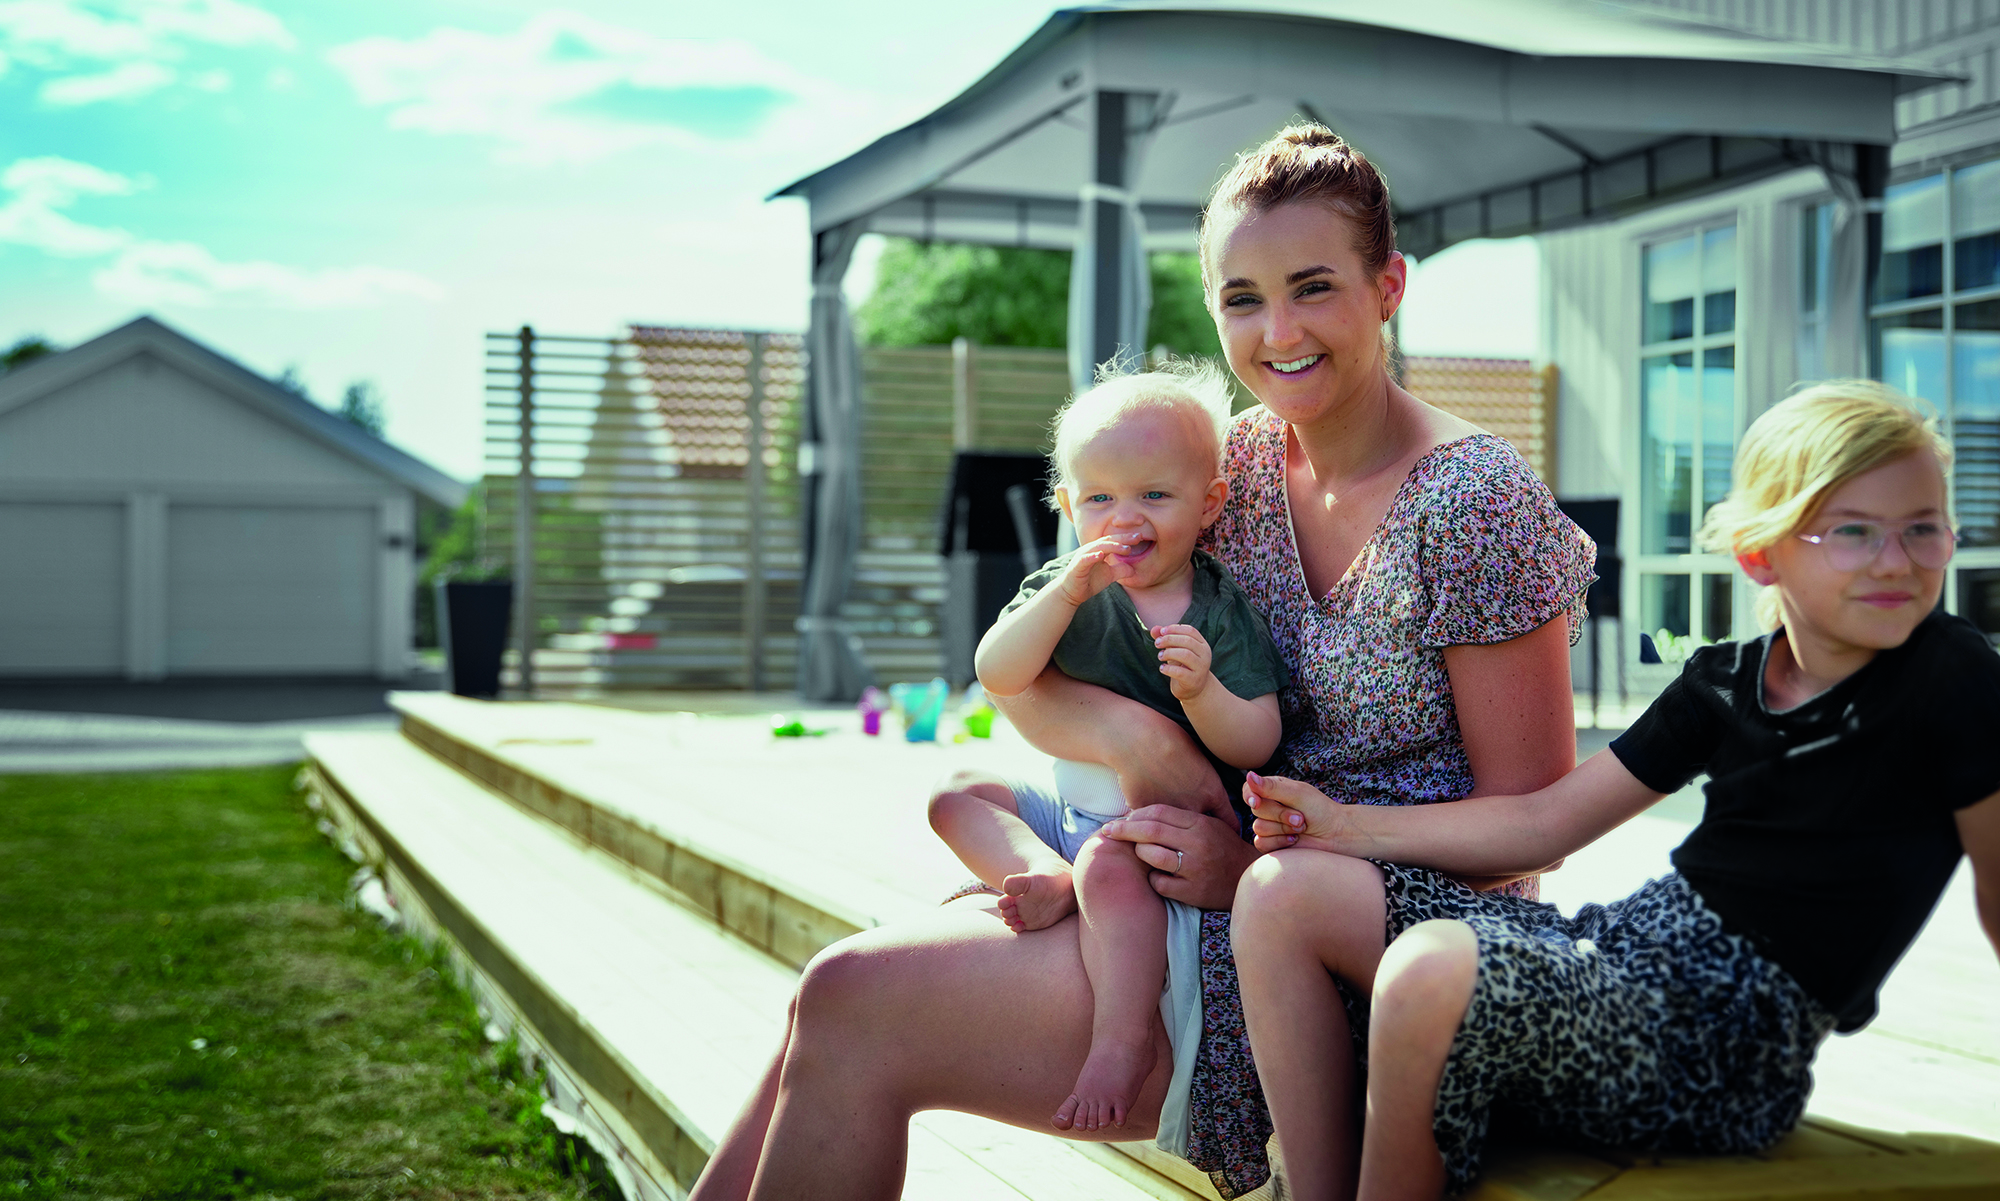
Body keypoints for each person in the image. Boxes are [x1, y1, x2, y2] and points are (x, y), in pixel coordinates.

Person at [686, 124, 1593, 1201]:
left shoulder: (1471, 500)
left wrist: (1258, 869)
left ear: (1386, 284)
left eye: (1312, 287)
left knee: (848, 998)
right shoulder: (1226, 467)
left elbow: (1528, 835)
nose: (1278, 331)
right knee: (823, 1003)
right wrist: (1138, 737)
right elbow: (1037, 679)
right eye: (1241, 297)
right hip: (1179, 885)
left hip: (1355, 956)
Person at [1235, 379, 2000, 1201]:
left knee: (1429, 972)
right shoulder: (1726, 681)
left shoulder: (1948, 676)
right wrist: (1340, 827)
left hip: (1725, 1040)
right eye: (1854, 531)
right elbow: (1543, 821)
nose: (1898, 561)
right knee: (1285, 892)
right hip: (1623, 952)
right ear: (1761, 553)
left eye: (1924, 530)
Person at [929, 365, 1289, 1134]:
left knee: (1107, 866)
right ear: (1068, 506)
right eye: (1099, 498)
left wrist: (1203, 694)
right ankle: (1046, 875)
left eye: (1154, 495)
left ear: (1208, 504)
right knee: (958, 792)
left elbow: (1258, 736)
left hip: (1144, 835)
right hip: (1070, 811)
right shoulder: (1066, 585)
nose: (1123, 517)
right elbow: (997, 670)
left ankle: (1121, 1040)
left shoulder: (1218, 611)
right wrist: (1063, 595)